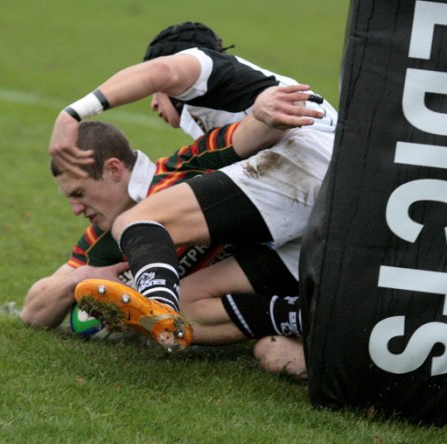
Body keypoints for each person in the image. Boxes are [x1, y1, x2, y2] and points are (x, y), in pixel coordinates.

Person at [46, 21, 335, 374]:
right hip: (315, 215)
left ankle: (156, 302)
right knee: (219, 322)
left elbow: (163, 71)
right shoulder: (228, 109)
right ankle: (309, 319)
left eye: (158, 92)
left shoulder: (201, 66)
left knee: (137, 221)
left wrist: (71, 114)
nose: (154, 103)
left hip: (302, 169)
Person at [22, 85, 319, 352]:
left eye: (80, 193)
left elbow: (252, 132)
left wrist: (264, 107)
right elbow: (33, 313)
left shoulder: (188, 167)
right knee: (271, 353)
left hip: (302, 253)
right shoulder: (100, 239)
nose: (76, 209)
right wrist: (81, 277)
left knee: (186, 309)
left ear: (113, 169)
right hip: (275, 289)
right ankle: (304, 319)